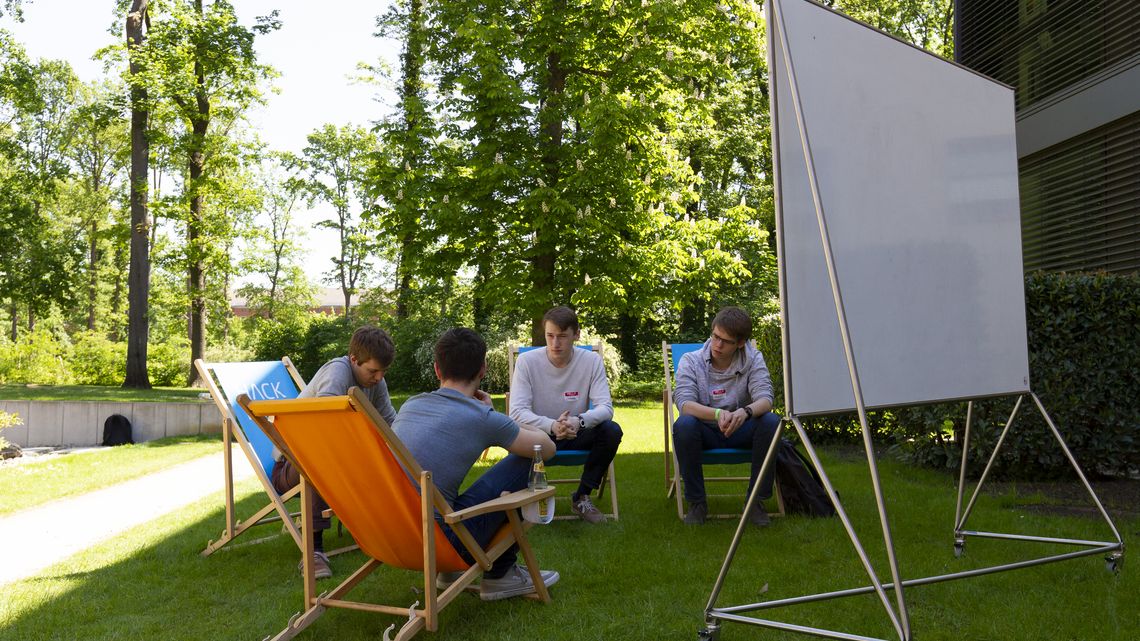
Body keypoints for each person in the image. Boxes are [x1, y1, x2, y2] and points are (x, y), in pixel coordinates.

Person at [394, 327, 560, 601]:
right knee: (526, 460)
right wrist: (493, 415)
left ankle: (448, 573)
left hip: (394, 534)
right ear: (482, 370)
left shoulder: (412, 405)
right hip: (443, 543)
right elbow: (547, 448)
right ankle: (501, 575)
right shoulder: (481, 417)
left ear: (437, 369)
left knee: (440, 494)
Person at [271, 325, 398, 579]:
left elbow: (391, 427)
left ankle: (385, 532)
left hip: (337, 460)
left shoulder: (376, 382)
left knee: (385, 456)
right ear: (354, 359)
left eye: (383, 371)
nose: (379, 378)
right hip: (291, 466)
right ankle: (313, 552)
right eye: (373, 370)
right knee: (320, 460)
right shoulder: (337, 372)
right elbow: (327, 427)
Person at [508, 306, 623, 524]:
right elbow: (517, 412)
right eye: (550, 336)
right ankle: (521, 497)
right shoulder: (527, 362)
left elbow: (606, 408)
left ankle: (581, 496)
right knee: (515, 435)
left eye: (562, 337)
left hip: (574, 432)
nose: (555, 343)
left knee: (611, 430)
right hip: (539, 436)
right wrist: (552, 425)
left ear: (576, 334)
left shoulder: (591, 361)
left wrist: (577, 422)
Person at [672, 306, 782, 526]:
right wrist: (718, 413)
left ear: (740, 343)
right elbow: (684, 404)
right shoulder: (690, 360)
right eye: (715, 336)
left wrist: (745, 411)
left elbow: (766, 399)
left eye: (725, 341)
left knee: (772, 422)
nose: (717, 345)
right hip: (704, 432)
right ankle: (697, 504)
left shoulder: (753, 359)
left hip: (741, 428)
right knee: (684, 425)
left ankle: (754, 502)